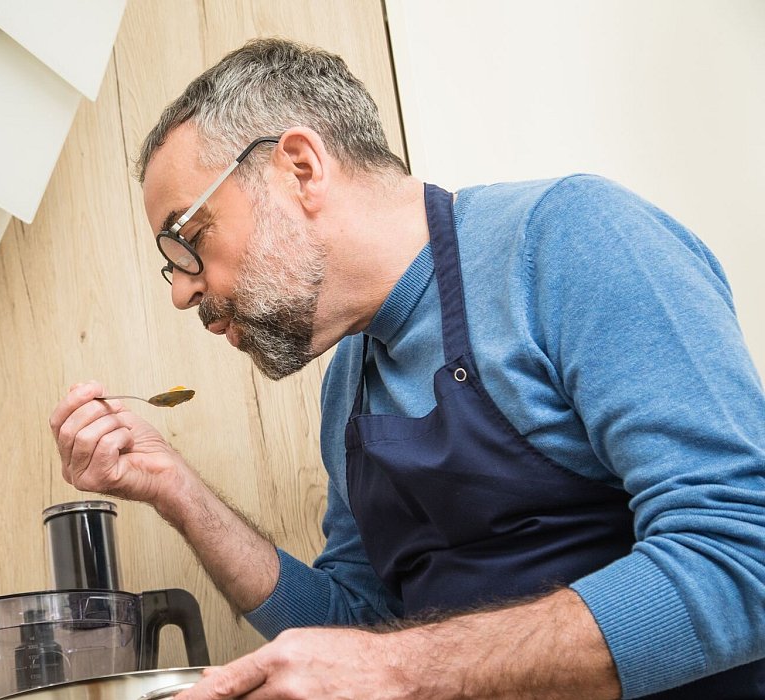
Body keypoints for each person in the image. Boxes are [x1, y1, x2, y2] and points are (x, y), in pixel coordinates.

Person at [48, 38, 765, 698]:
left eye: (190, 238)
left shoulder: (570, 237)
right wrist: (177, 490)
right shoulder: (346, 388)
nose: (182, 291)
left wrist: (404, 669)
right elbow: (358, 630)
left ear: (300, 167)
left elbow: (745, 558)